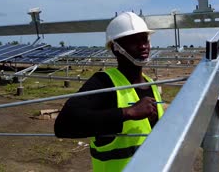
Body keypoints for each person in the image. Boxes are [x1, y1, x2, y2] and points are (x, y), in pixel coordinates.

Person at [54, 11, 164, 172]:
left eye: (144, 39)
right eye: (134, 41)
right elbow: (64, 126)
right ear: (115, 48)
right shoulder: (104, 83)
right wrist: (127, 113)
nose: (143, 46)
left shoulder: (150, 83)